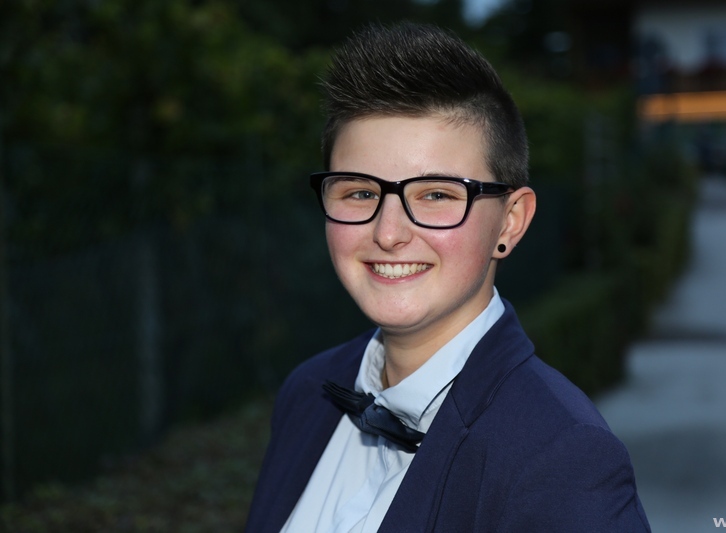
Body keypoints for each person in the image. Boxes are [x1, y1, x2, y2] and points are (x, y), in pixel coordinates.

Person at [246, 22, 650, 532]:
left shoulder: (564, 458)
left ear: (510, 222)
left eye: (436, 195)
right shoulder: (306, 392)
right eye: (360, 193)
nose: (388, 233)